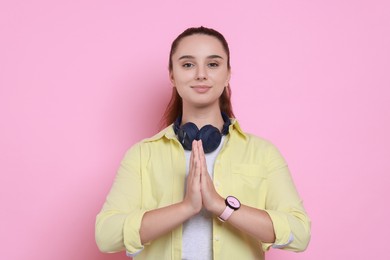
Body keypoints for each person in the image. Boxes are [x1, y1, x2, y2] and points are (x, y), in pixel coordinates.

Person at [95, 26, 311, 260]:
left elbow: (300, 234)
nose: (201, 74)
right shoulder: (141, 155)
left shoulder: (262, 153)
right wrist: (186, 207)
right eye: (188, 64)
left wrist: (221, 206)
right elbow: (106, 236)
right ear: (172, 75)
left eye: (213, 64)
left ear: (228, 74)